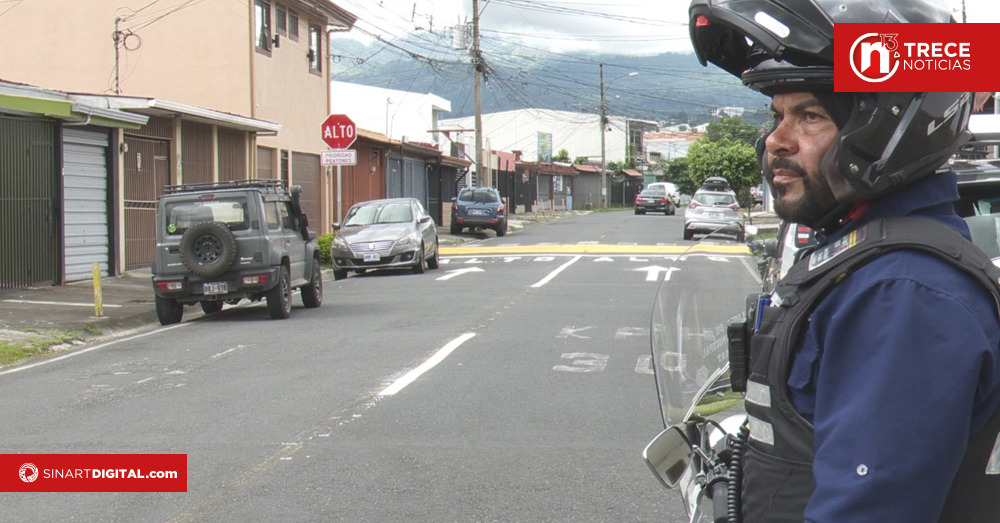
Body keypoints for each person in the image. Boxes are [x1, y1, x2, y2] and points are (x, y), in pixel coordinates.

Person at [688, 1, 1000, 522]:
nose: (775, 141)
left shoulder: (903, 291)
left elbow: (867, 508)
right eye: (776, 115)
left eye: (809, 116)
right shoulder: (855, 258)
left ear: (886, 133)